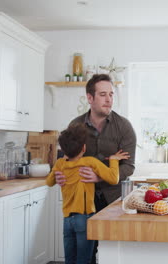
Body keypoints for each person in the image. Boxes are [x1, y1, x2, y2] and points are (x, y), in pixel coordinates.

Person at [55, 73, 137, 263]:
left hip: (114, 200)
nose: (109, 100)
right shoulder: (75, 125)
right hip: (83, 201)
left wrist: (100, 177)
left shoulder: (124, 127)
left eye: (111, 94)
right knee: (84, 254)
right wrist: (60, 175)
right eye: (103, 94)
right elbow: (66, 159)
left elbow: (129, 166)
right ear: (90, 98)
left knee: (113, 252)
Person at [46, 123, 130, 264]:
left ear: (64, 149)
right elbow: (113, 178)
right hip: (84, 219)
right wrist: (114, 160)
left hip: (67, 220)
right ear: (84, 148)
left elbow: (49, 182)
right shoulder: (89, 162)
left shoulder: (60, 164)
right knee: (84, 259)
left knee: (70, 259)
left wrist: (56, 174)